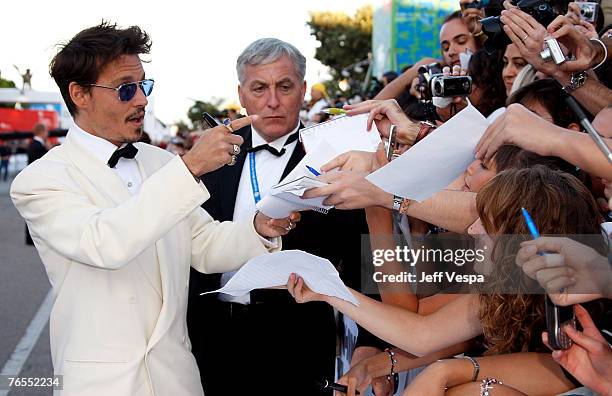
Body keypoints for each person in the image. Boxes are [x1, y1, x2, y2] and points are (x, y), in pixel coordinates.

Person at [10, 22, 299, 396]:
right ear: (80, 94)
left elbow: (206, 245)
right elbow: (104, 243)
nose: (142, 100)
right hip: (99, 386)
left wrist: (260, 228)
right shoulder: (40, 180)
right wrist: (190, 166)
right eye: (126, 89)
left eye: (144, 86)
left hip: (177, 380)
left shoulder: (161, 164)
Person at [289, 166, 608, 395]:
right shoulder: (503, 291)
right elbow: (420, 334)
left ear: (522, 238)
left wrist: (378, 207)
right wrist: (330, 292)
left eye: (486, 222)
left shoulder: (590, 314)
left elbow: (413, 320)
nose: (471, 231)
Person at [187, 38, 377, 396]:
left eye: (284, 87)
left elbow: (361, 250)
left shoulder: (333, 153)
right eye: (259, 88)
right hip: (212, 333)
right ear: (241, 95)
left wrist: (370, 342)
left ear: (303, 90)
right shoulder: (210, 154)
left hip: (299, 337)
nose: (272, 101)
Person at [24, 123, 49, 245]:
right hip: (36, 181)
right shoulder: (37, 146)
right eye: (46, 131)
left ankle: (32, 237)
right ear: (42, 131)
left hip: (33, 180)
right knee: (34, 210)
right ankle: (32, 238)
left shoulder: (34, 144)